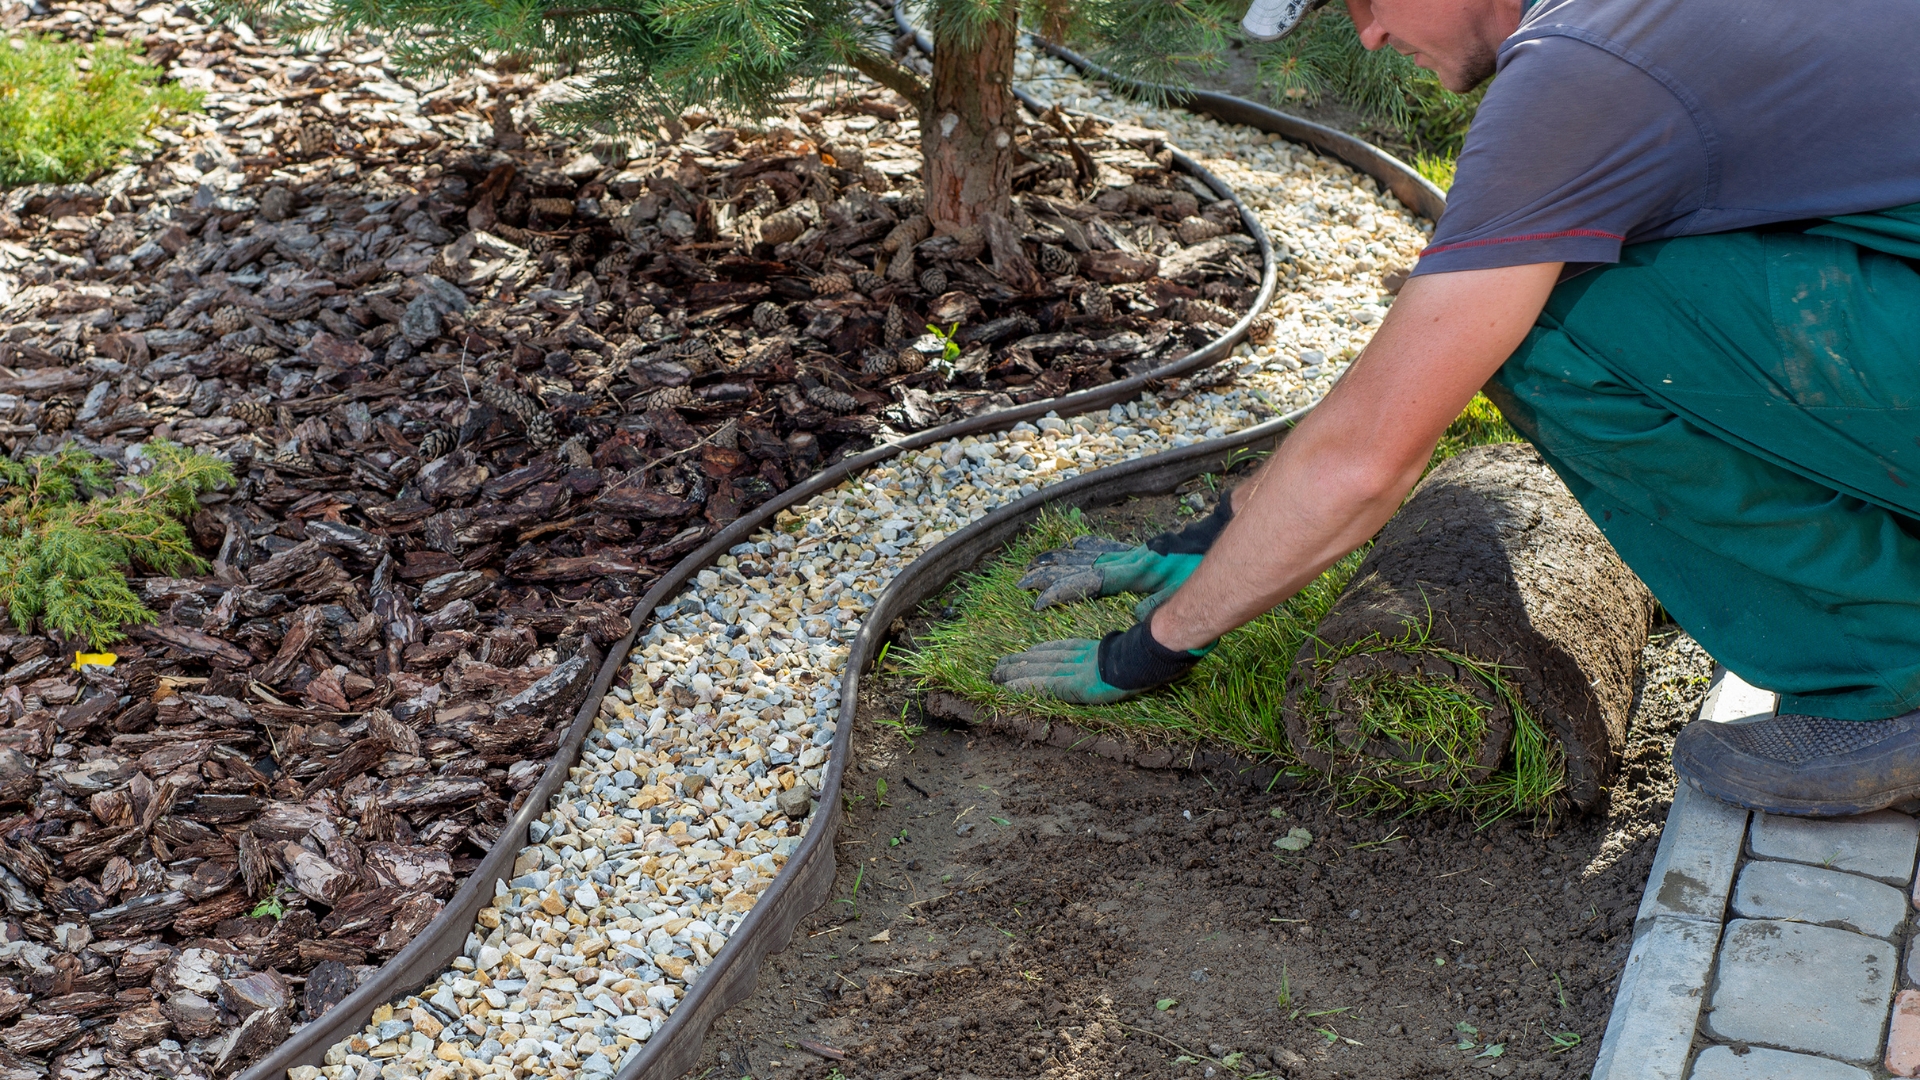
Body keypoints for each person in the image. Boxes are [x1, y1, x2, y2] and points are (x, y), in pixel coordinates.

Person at [990, 0, 1920, 817]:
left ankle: (1891, 677)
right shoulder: (1626, 26)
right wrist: (1216, 532)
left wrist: (1151, 649)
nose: (1368, 33)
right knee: (1561, 292)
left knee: (1551, 326)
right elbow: (1397, 373)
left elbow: (1369, 454)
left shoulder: (1582, 73)